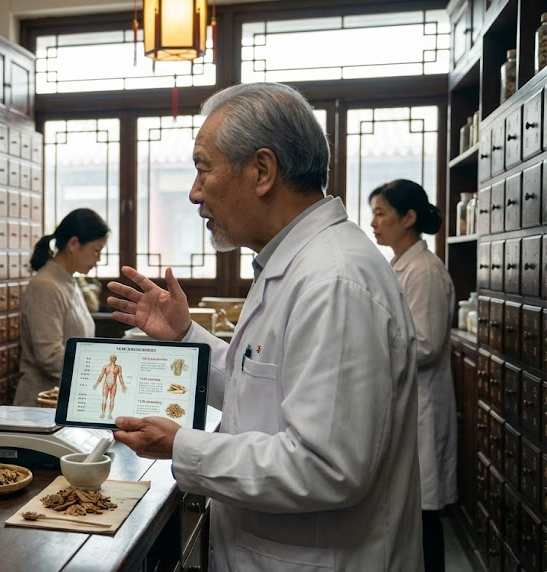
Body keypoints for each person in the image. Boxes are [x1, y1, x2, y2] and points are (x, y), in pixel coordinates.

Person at [105, 82, 423, 570]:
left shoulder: (333, 280)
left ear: (262, 171)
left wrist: (181, 445)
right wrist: (187, 337)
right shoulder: (293, 263)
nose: (193, 192)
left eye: (202, 168)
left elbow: (326, 467)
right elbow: (265, 393)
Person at [370, 179, 457, 572]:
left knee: (425, 513)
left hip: (423, 404)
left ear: (408, 218)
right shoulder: (400, 266)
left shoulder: (424, 271)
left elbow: (427, 344)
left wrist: (368, 347)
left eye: (381, 213)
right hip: (406, 402)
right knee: (411, 509)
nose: (374, 222)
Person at [13, 208, 109, 406]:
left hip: (64, 399)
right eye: (96, 250)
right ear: (73, 244)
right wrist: (97, 372)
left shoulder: (68, 281)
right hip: (41, 404)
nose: (98, 259)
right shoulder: (45, 285)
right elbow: (50, 356)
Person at [92, 354, 127, 418]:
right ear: (110, 359)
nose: (113, 358)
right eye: (112, 357)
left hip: (114, 384)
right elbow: (101, 376)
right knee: (104, 398)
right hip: (106, 384)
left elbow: (120, 376)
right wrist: (96, 384)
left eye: (114, 357)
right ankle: (103, 413)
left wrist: (123, 385)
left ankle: (110, 414)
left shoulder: (118, 367)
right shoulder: (105, 367)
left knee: (112, 399)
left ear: (115, 359)